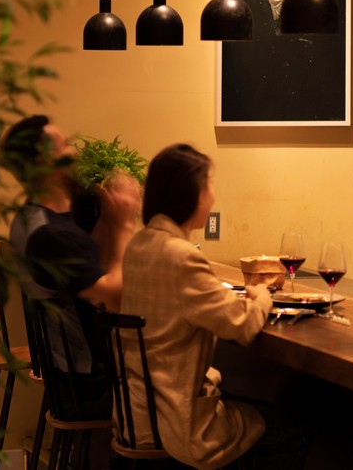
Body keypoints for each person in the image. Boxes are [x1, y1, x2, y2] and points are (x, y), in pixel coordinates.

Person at [120, 143, 310, 470]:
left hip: (138, 412)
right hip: (180, 422)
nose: (213, 196)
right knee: (292, 430)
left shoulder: (138, 245)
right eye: (209, 185)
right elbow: (241, 327)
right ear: (190, 194)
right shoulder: (182, 256)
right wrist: (261, 296)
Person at [0, 114, 141, 423]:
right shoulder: (50, 235)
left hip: (76, 379)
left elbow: (95, 268)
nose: (74, 151)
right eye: (63, 145)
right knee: (202, 384)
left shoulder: (35, 218)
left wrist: (108, 219)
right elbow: (112, 298)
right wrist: (124, 225)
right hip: (92, 389)